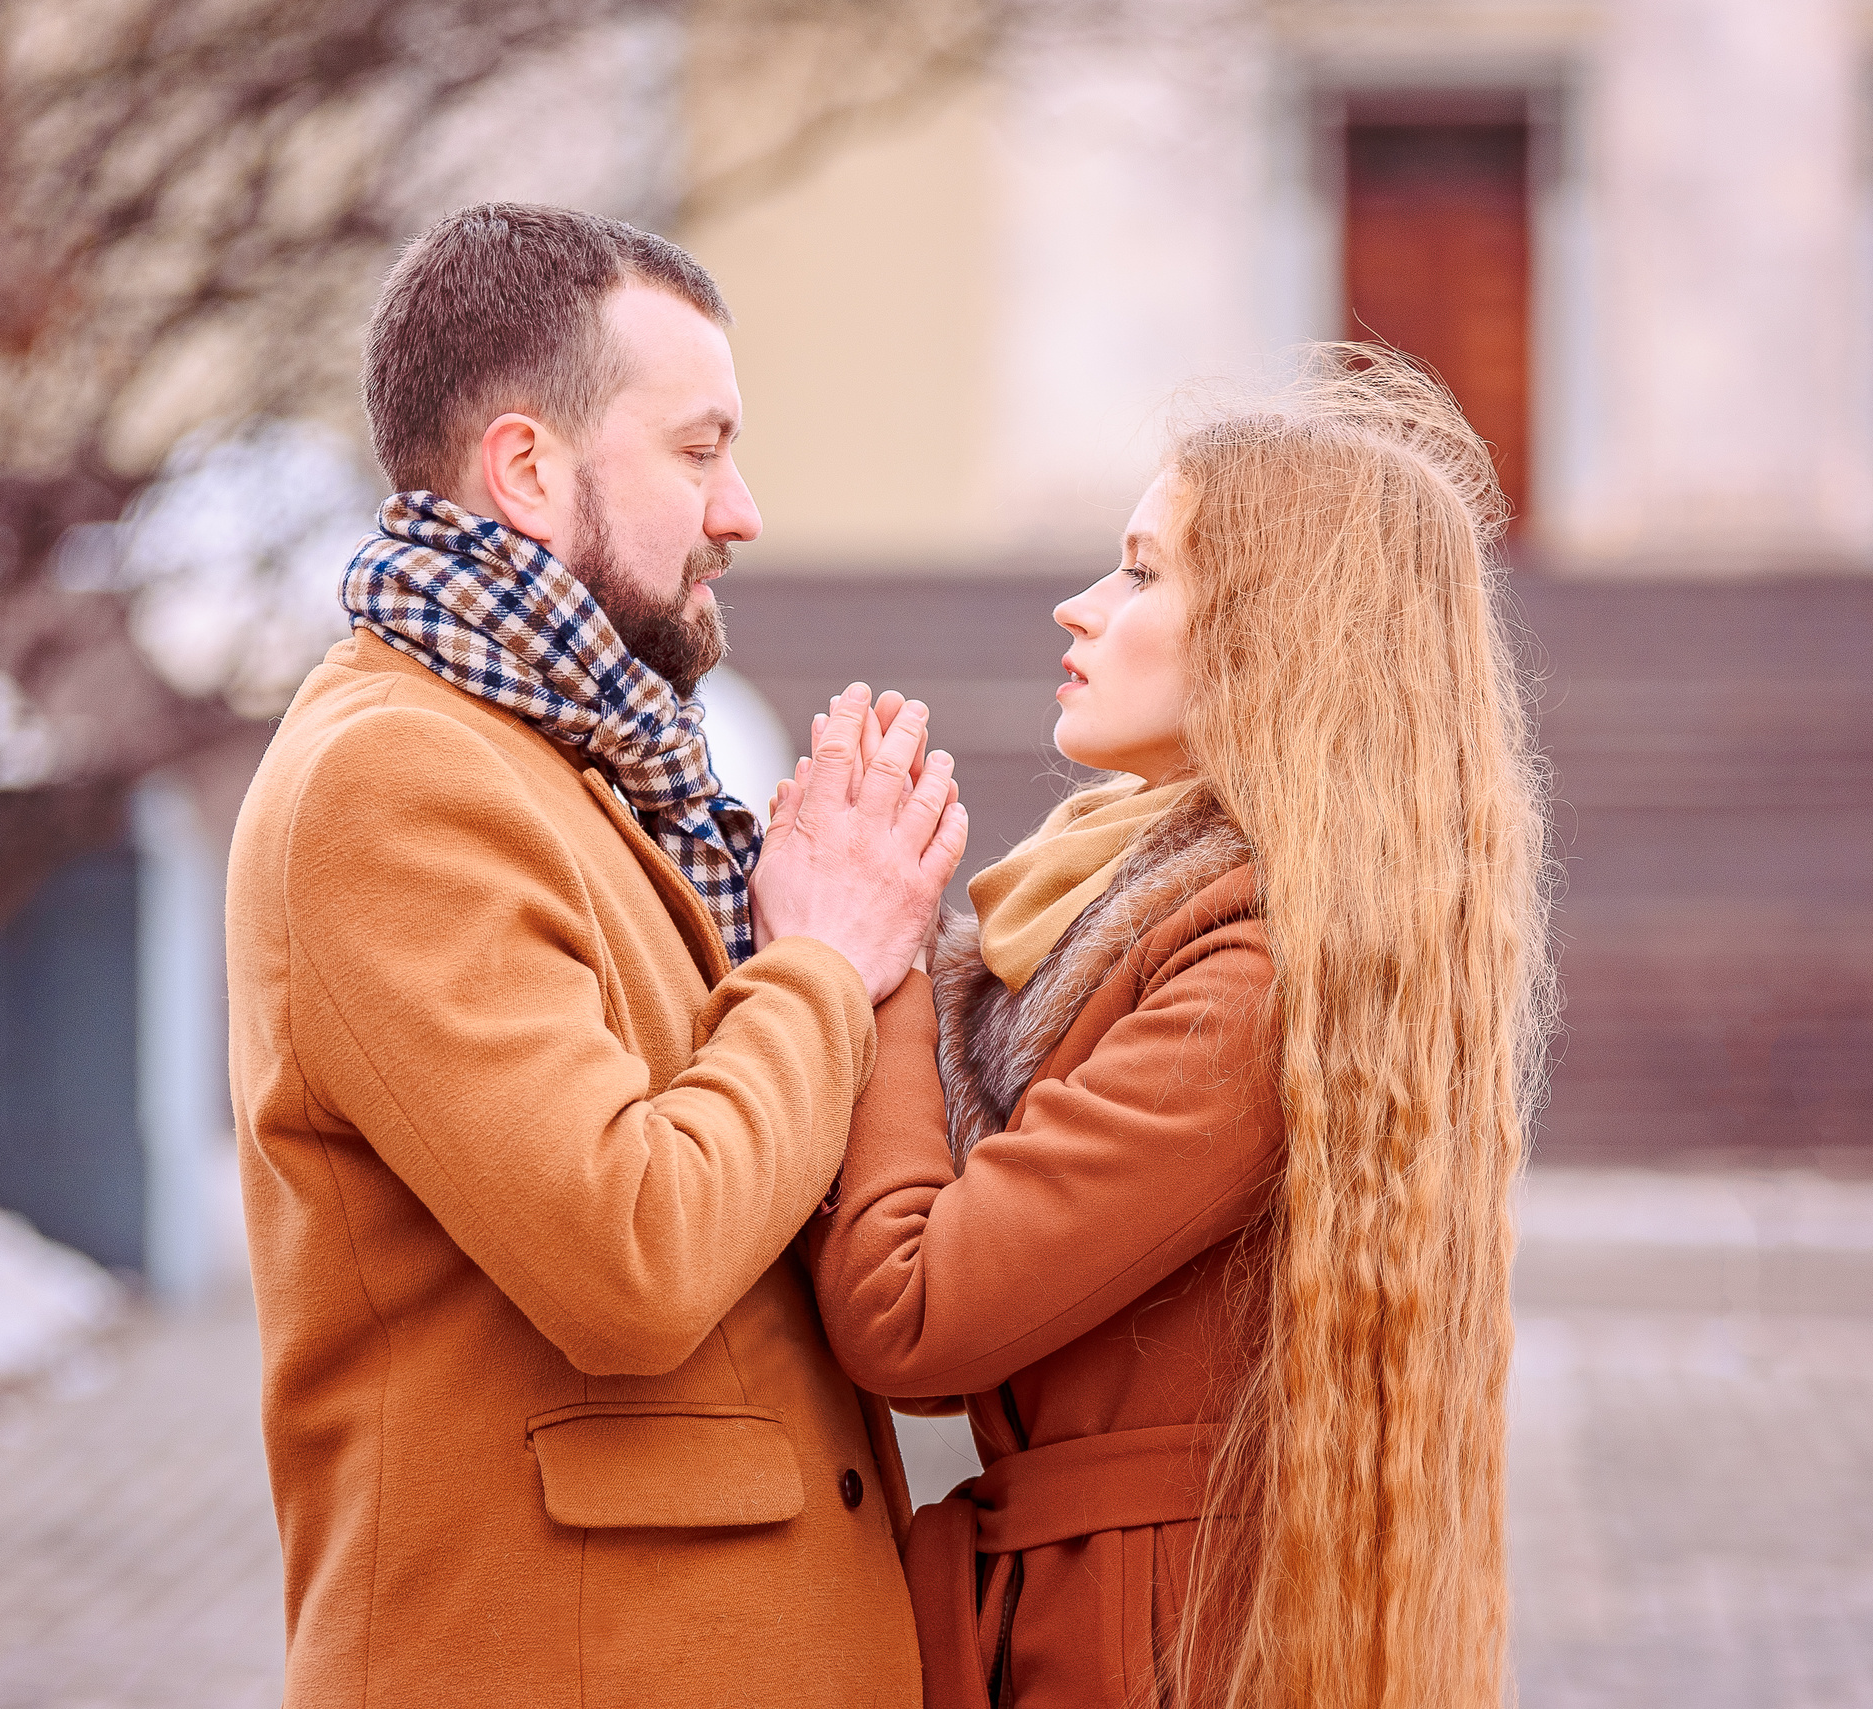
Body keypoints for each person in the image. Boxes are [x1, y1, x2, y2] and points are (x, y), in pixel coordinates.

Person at [225, 203, 965, 1708]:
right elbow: (634, 1251)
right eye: (699, 452)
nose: (742, 509)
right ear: (526, 469)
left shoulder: (572, 762)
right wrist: (820, 959)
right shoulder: (395, 783)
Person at [794, 347, 1553, 1709]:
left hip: (1128, 1642)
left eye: (1142, 573)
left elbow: (911, 1310)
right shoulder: (1133, 905)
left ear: (1273, 637)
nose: (1079, 609)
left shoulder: (1254, 972)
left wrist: (880, 948)